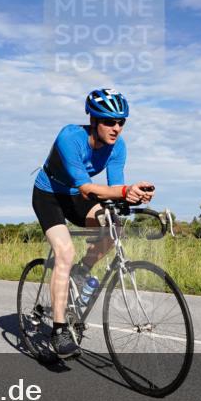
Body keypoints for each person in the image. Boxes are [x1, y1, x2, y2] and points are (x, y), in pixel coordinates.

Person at [32, 88, 154, 359]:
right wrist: (125, 192)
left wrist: (135, 196)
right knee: (64, 253)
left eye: (122, 122)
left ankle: (82, 271)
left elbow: (115, 187)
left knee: (114, 225)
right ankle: (59, 330)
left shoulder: (117, 146)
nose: (117, 128)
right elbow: (87, 187)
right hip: (49, 196)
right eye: (110, 122)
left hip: (76, 197)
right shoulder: (70, 137)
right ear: (94, 120)